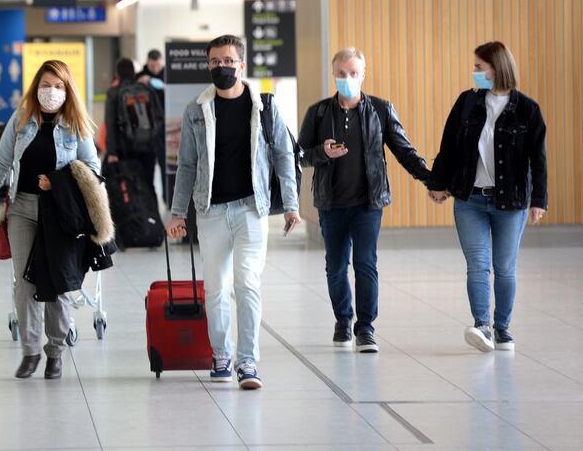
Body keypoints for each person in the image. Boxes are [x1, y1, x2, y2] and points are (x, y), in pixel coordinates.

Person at [165, 35, 301, 390]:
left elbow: (284, 157)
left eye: (227, 60)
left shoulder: (264, 106)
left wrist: (291, 205)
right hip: (210, 212)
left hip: (250, 209)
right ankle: (221, 353)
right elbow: (187, 165)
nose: (221, 67)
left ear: (242, 65)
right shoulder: (197, 110)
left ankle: (248, 361)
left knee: (247, 283)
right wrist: (177, 213)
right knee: (215, 288)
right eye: (214, 61)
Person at [298, 48, 431, 353]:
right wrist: (322, 153)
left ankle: (366, 328)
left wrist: (429, 179)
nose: (348, 79)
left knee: (365, 263)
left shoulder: (381, 110)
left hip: (368, 203)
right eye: (342, 74)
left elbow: (404, 150)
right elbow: (299, 155)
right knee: (335, 266)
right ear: (334, 75)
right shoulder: (318, 112)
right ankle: (343, 321)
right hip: (331, 204)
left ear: (363, 75)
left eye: (353, 73)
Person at [0, 60, 99, 380]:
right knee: (25, 281)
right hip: (22, 209)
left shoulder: (76, 125)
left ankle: (55, 351)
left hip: (59, 213)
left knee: (57, 281)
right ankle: (30, 351)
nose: (52, 92)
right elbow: (0, 162)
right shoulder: (21, 119)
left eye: (59, 87)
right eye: (46, 85)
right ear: (36, 87)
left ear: (68, 90)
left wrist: (58, 182)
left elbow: (93, 171)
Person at [427, 41, 547, 353]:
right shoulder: (467, 103)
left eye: (479, 67)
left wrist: (539, 200)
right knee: (478, 265)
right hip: (470, 200)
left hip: (512, 202)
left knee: (505, 267)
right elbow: (448, 147)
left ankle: (503, 328)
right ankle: (482, 326)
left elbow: (539, 160)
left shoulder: (528, 110)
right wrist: (437, 183)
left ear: (497, 68)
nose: (475, 72)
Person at [105, 58, 161, 186]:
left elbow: (110, 123)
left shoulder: (113, 93)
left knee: (130, 189)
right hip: (148, 147)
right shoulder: (147, 90)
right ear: (133, 73)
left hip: (124, 149)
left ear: (117, 74)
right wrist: (150, 135)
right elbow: (159, 117)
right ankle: (151, 206)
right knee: (148, 186)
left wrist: (112, 152)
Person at [137, 49, 168, 194]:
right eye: (152, 66)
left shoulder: (168, 75)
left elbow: (169, 89)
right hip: (145, 126)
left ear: (162, 62)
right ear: (147, 62)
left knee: (164, 163)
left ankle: (166, 197)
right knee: (145, 164)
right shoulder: (139, 76)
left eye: (157, 65)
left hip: (164, 125)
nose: (155, 69)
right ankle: (148, 200)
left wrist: (152, 81)